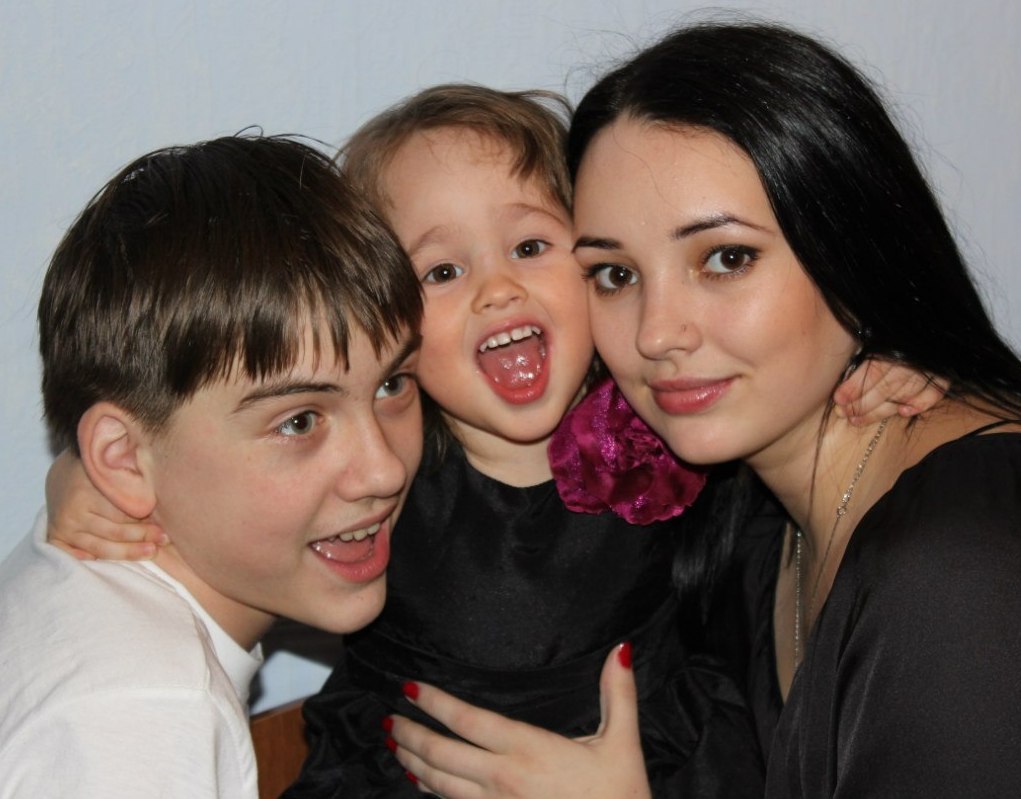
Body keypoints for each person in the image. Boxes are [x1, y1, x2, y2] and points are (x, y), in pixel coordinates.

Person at [47, 88, 940, 797]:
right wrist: (82, 481)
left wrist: (864, 379)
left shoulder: (666, 429)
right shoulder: (383, 472)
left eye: (530, 245)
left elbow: (790, 472)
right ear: (383, 322)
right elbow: (243, 521)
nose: (496, 289)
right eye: (442, 270)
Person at [388, 20, 1021, 799]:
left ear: (852, 244)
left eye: (725, 258)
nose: (656, 333)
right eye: (615, 274)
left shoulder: (957, 568)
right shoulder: (743, 515)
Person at [0, 134, 424, 797]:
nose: (383, 470)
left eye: (392, 385)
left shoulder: (79, 572)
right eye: (298, 421)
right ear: (122, 460)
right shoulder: (145, 713)